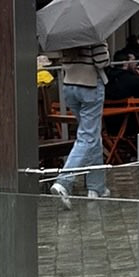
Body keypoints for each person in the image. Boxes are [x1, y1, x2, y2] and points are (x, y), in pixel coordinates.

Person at [45, 36, 110, 204]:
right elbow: (102, 61)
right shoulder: (93, 34)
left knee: (92, 136)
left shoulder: (67, 34)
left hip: (69, 86)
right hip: (90, 86)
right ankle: (64, 181)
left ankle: (97, 187)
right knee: (87, 137)